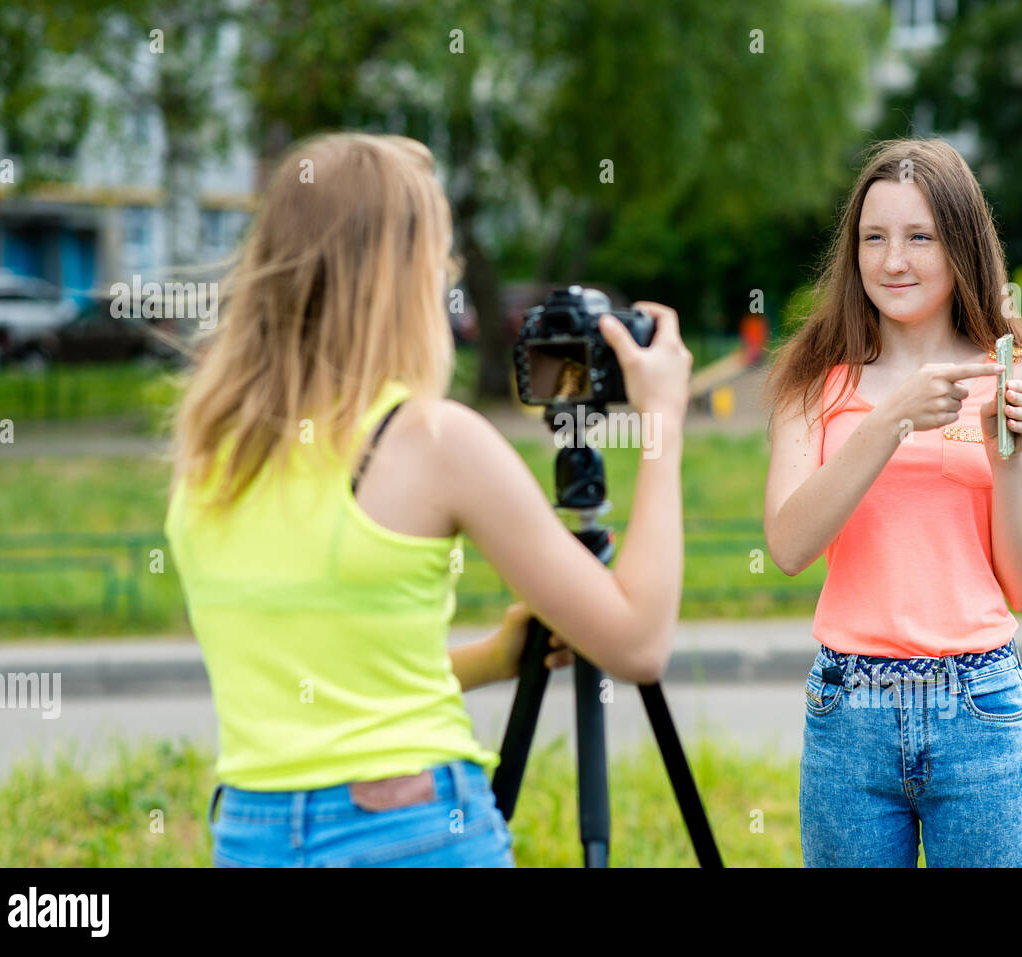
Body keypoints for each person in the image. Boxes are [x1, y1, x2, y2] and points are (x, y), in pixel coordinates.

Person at [164, 132, 692, 867]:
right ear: (400, 277)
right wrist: (662, 423)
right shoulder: (432, 440)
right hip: (409, 829)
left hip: (250, 832)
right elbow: (637, 641)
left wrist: (492, 658)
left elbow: (325, 686)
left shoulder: (207, 452)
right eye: (439, 257)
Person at [762, 138, 1022, 868]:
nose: (891, 260)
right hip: (848, 712)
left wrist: (1009, 459)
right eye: (874, 237)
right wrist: (888, 419)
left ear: (961, 244)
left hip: (981, 704)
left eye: (918, 237)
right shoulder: (812, 383)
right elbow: (787, 545)